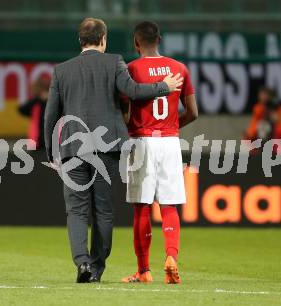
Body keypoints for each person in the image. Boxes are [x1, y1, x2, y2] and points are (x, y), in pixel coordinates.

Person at [44, 17, 183, 283]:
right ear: (103, 39)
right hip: (107, 148)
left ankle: (82, 264)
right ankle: (96, 268)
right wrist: (163, 87)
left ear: (80, 41)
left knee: (76, 211)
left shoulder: (61, 71)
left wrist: (51, 152)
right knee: (104, 211)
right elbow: (132, 91)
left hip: (73, 149)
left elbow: (51, 115)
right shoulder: (114, 62)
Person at [120, 21, 198, 284]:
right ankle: (172, 257)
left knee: (142, 207)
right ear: (160, 39)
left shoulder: (131, 69)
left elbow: (123, 110)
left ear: (136, 42)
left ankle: (144, 271)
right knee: (169, 204)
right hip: (170, 142)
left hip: (141, 140)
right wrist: (173, 127)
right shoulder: (180, 68)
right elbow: (193, 112)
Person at [244, 87, 281, 153]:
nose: (261, 97)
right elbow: (251, 132)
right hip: (262, 149)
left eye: (264, 95)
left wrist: (280, 122)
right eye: (260, 95)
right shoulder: (259, 111)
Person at [18, 76, 50, 150]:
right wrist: (38, 98)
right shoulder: (36, 103)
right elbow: (21, 110)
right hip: (37, 142)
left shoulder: (53, 102)